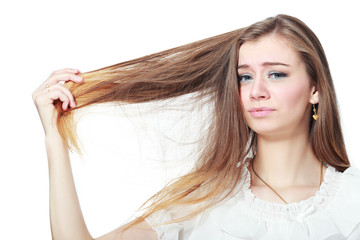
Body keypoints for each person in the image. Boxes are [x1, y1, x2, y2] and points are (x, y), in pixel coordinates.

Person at [32, 14, 360, 240]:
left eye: (276, 74)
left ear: (315, 89)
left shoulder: (353, 201)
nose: (257, 90)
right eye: (244, 76)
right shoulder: (206, 200)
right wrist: (53, 139)